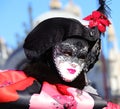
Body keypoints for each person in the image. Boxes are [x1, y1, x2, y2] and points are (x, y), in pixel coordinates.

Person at [0, 0, 120, 109]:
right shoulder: (16, 86)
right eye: (67, 52)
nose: (74, 61)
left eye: (81, 56)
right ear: (49, 52)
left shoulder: (91, 99)